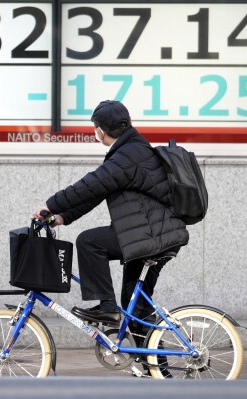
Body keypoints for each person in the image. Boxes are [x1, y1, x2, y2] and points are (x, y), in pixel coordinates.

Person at [32, 100, 189, 336]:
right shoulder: (133, 150)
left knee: (89, 242)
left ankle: (106, 307)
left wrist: (50, 205)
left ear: (99, 132)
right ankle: (155, 368)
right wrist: (62, 217)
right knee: (135, 306)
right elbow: (99, 192)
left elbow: (90, 185)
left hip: (152, 235)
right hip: (157, 234)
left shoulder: (128, 155)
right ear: (130, 123)